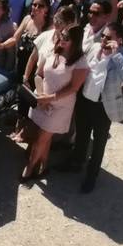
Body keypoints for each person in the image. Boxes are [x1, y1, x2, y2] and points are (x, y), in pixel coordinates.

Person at [59, 22, 123, 192]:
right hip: (85, 100)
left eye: (109, 37)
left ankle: (91, 175)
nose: (104, 40)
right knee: (82, 135)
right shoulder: (93, 48)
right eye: (103, 36)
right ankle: (76, 162)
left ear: (119, 40)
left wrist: (116, 56)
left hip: (103, 107)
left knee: (99, 143)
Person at [23, 24, 88, 183]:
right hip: (43, 100)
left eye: (66, 37)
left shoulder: (81, 62)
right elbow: (39, 74)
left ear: (75, 41)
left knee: (41, 138)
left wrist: (49, 99)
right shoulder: (53, 51)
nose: (61, 39)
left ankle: (29, 168)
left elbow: (73, 88)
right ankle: (44, 166)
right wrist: (41, 95)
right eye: (61, 35)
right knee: (45, 137)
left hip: (60, 106)